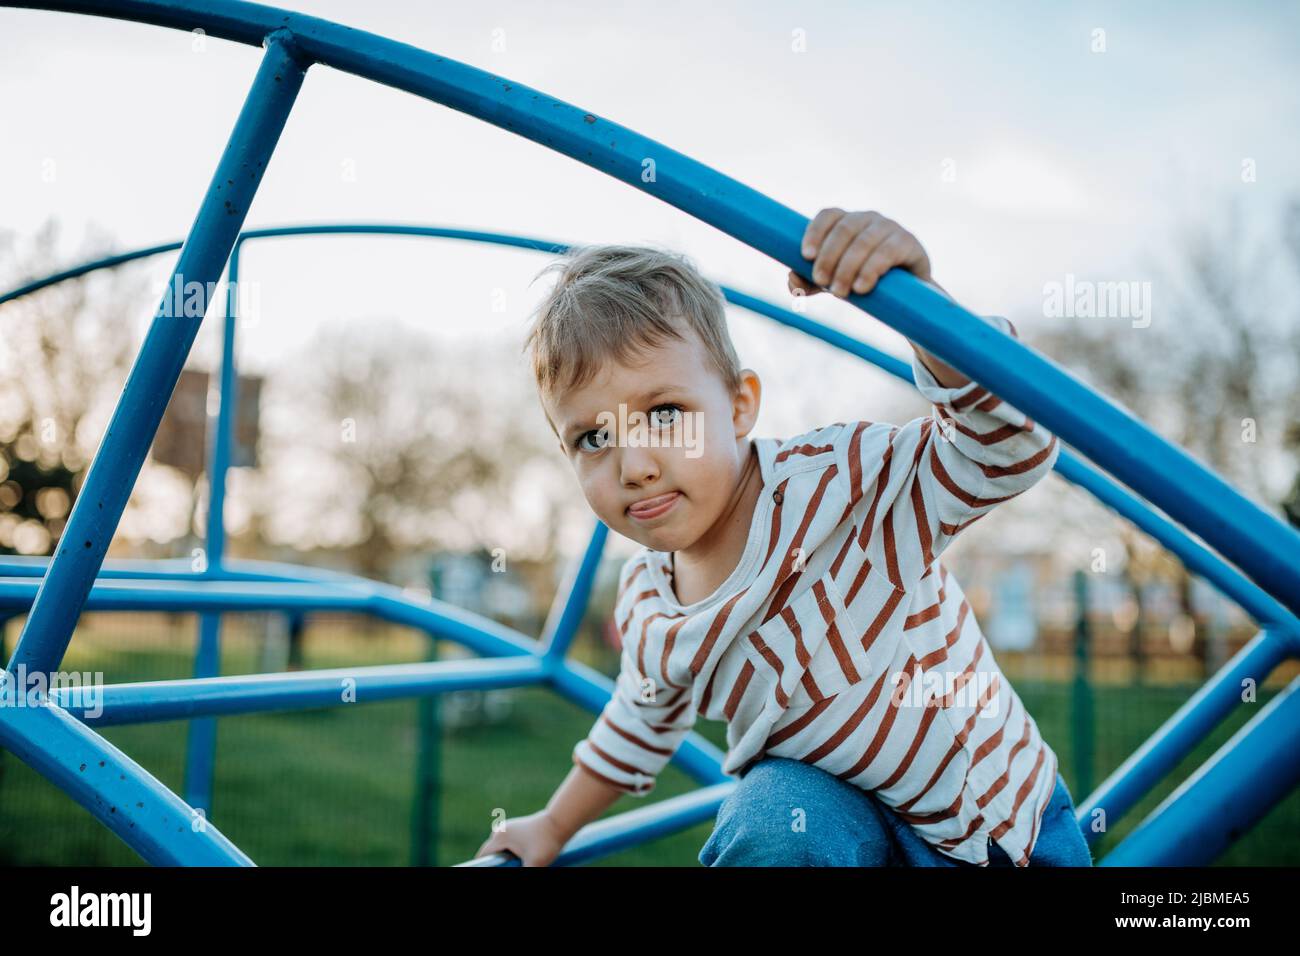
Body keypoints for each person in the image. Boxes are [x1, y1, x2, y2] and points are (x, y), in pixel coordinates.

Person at [474, 209, 1091, 867]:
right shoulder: (652, 603)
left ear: (740, 406)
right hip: (833, 826)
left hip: (988, 830)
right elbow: (638, 722)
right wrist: (552, 826)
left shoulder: (841, 484)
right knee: (769, 815)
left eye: (663, 414)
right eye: (593, 437)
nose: (634, 465)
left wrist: (924, 312)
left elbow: (1008, 450)